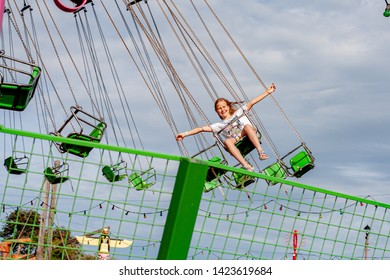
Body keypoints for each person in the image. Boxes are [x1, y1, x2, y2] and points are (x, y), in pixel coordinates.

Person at [176, 83, 276, 172]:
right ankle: (246, 165)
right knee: (227, 142)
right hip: (236, 139)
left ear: (228, 106)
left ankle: (261, 152)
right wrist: (185, 134)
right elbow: (201, 129)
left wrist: (267, 92)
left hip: (246, 132)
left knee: (247, 126)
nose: (222, 109)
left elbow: (252, 102)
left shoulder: (238, 113)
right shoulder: (219, 125)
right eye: (219, 108)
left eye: (224, 107)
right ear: (217, 112)